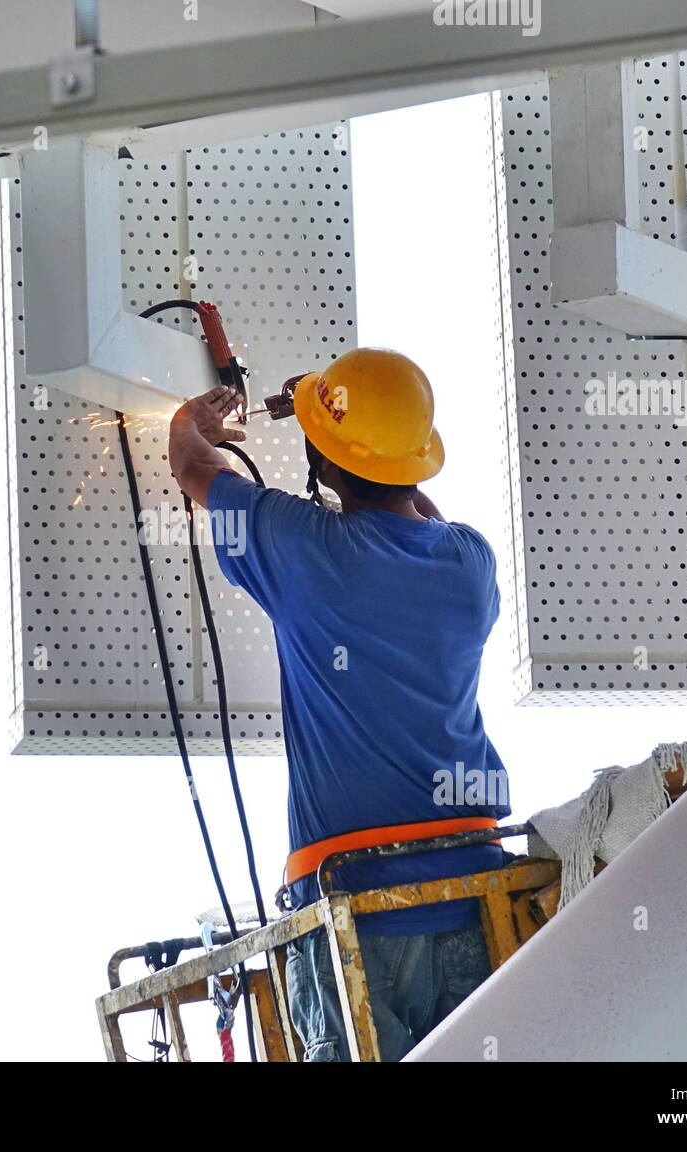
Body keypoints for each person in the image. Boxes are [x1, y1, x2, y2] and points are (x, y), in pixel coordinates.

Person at [167, 347, 510, 1062]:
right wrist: (330, 430)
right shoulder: (471, 565)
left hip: (354, 912)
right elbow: (423, 521)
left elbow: (196, 470)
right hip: (477, 903)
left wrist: (186, 419)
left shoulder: (302, 548)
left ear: (325, 466)